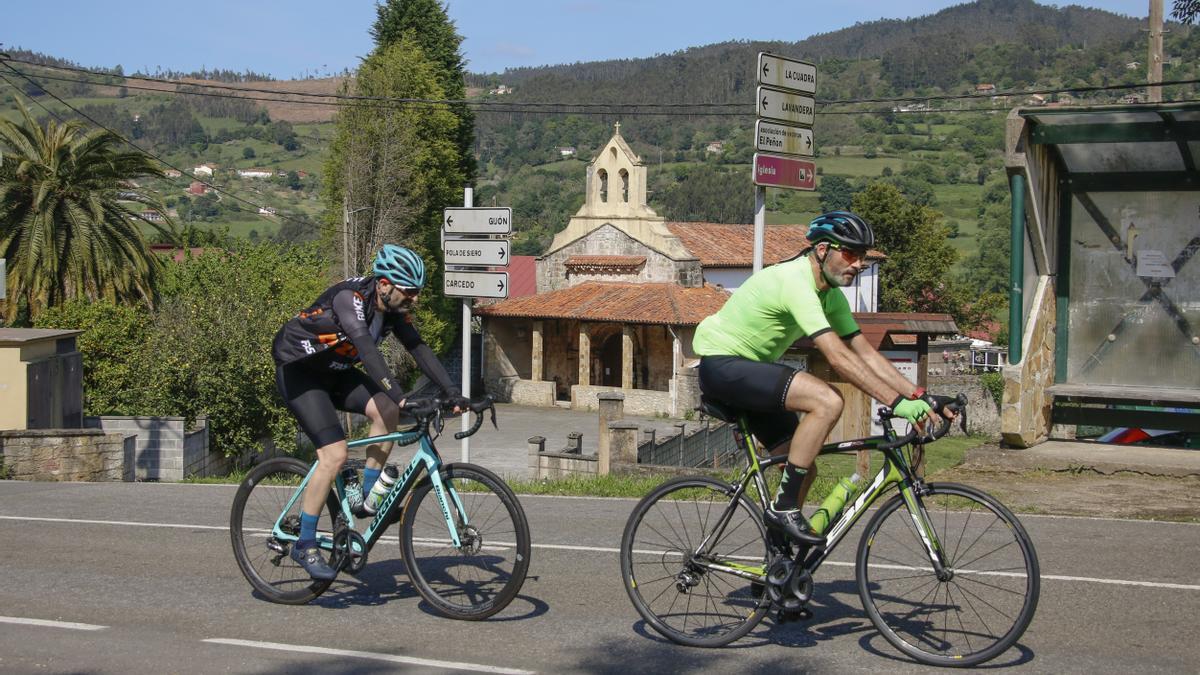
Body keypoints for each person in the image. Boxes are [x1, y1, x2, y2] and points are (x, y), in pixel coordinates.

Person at [692, 211, 946, 547]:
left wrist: (919, 396)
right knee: (827, 400)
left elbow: (865, 354)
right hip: (723, 365)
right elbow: (837, 357)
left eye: (863, 257)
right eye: (850, 254)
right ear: (824, 250)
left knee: (802, 470)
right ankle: (784, 510)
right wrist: (897, 404)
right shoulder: (796, 282)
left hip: (750, 373)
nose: (857, 264)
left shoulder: (831, 297)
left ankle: (777, 567)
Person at [272, 244, 465, 579]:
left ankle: (366, 498)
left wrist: (453, 392)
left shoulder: (391, 309)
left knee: (386, 410)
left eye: (417, 293)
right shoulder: (350, 300)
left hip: (334, 371)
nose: (414, 300)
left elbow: (418, 348)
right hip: (300, 371)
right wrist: (402, 396)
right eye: (410, 292)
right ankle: (305, 543)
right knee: (334, 455)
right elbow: (366, 349)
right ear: (385, 284)